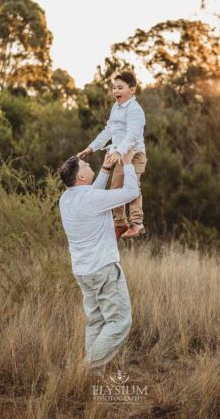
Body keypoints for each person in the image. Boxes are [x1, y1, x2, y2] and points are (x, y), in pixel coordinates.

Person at [58, 149, 138, 372]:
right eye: (85, 166)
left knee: (95, 321)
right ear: (81, 177)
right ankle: (85, 371)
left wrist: (105, 169)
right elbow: (131, 192)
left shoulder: (66, 199)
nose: (88, 166)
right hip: (103, 270)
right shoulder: (93, 198)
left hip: (83, 272)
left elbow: (91, 195)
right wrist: (128, 163)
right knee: (120, 322)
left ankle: (91, 378)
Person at [77, 71, 147, 239]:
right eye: (114, 88)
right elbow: (108, 130)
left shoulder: (135, 110)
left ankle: (137, 223)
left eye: (120, 88)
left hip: (134, 155)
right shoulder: (116, 108)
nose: (116, 91)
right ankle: (120, 223)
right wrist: (91, 147)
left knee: (132, 186)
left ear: (132, 90)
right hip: (120, 156)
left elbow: (132, 135)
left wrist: (118, 151)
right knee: (115, 189)